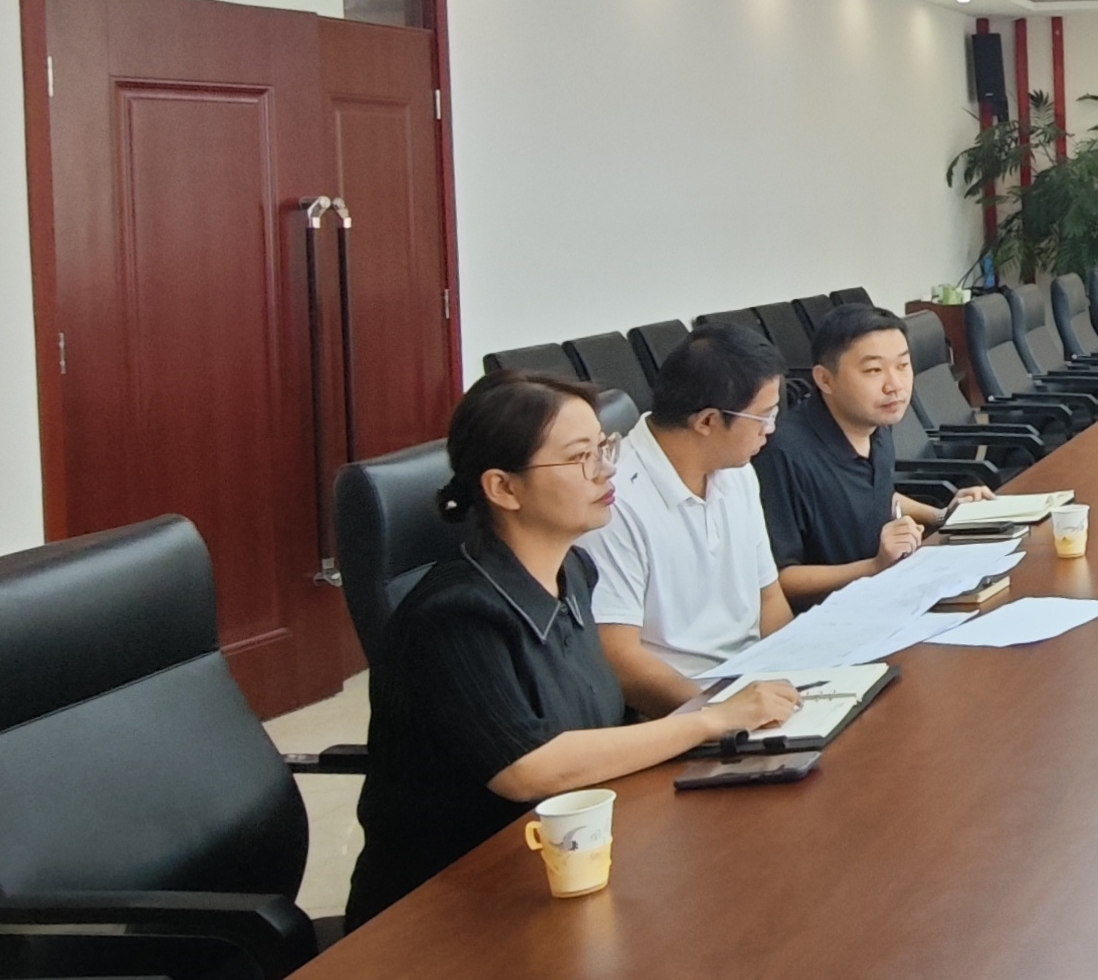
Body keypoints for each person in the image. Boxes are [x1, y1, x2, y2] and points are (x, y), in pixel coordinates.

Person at [347, 371, 798, 927]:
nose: (607, 470)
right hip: (454, 903)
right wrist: (708, 720)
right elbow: (529, 769)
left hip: (571, 858)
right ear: (503, 488)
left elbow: (598, 723)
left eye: (604, 448)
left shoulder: (575, 572)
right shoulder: (454, 615)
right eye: (581, 458)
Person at [584, 324, 797, 716]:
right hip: (687, 711)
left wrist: (805, 679)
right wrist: (723, 715)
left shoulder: (737, 471)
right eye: (764, 417)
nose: (771, 430)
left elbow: (768, 598)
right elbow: (620, 658)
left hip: (757, 692)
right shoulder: (613, 500)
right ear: (707, 421)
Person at [754, 302, 965, 604]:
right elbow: (778, 580)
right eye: (874, 370)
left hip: (889, 596)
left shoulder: (877, 425)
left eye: (903, 366)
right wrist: (874, 567)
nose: (894, 385)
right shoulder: (782, 454)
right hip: (832, 617)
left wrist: (944, 515)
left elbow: (876, 496)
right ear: (825, 379)